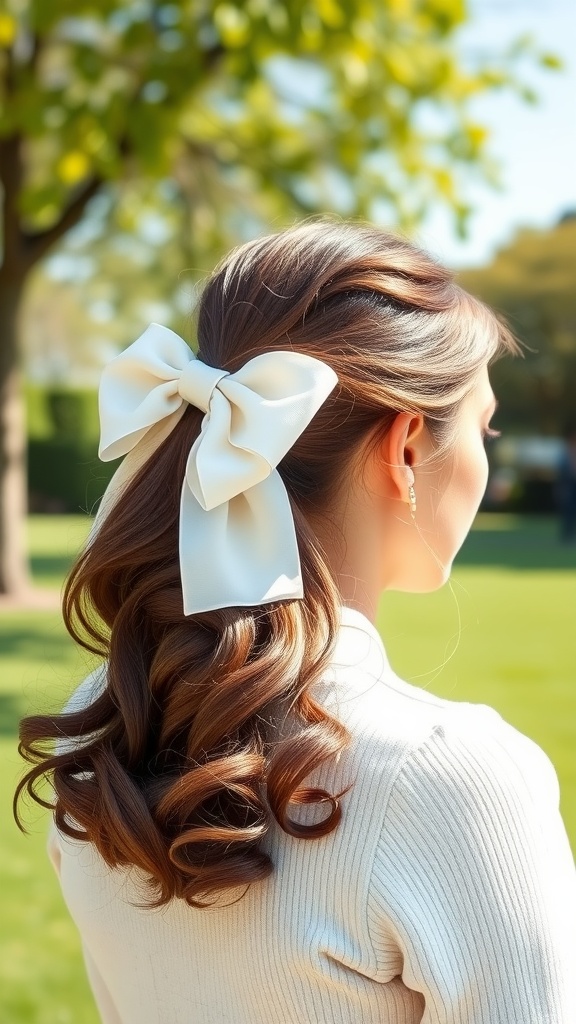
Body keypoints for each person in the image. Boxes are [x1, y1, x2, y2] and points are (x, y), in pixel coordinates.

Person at [14, 219, 576, 1024]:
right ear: (406, 448)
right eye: (485, 427)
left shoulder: (107, 720)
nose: (487, 452)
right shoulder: (453, 778)